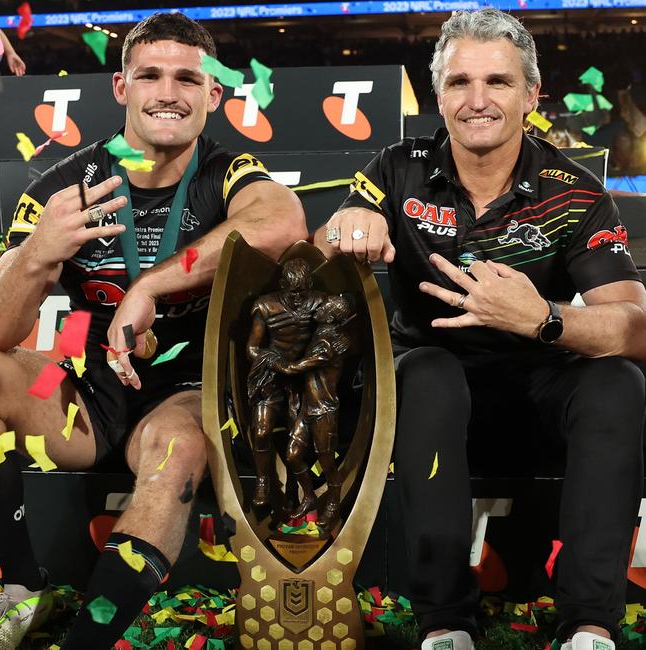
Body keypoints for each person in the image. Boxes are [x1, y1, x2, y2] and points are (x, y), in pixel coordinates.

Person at [314, 9, 646, 650]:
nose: (477, 101)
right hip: (429, 396)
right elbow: (318, 253)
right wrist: (347, 224)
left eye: (497, 82)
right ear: (438, 96)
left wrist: (541, 318)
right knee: (431, 372)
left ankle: (588, 624)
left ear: (531, 95)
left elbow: (634, 327)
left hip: (538, 391)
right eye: (460, 83)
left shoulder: (573, 191)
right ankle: (446, 624)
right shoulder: (395, 166)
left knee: (617, 382)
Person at [0, 11, 306, 650]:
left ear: (213, 95)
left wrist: (151, 284)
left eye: (187, 79)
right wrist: (36, 254)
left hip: (190, 387)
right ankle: (22, 588)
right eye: (150, 76)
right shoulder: (65, 187)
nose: (169, 93)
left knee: (175, 451)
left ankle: (89, 639)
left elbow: (280, 221)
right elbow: (1, 329)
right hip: (84, 393)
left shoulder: (226, 173)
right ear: (120, 88)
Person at [246, 258, 326, 508]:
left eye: (302, 292)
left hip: (304, 378)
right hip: (271, 374)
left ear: (310, 284)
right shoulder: (266, 306)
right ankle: (262, 480)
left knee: (300, 440)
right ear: (282, 285)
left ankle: (297, 489)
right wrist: (276, 363)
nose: (298, 299)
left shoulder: (320, 302)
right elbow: (251, 348)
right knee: (261, 431)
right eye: (292, 293)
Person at [278, 294, 353, 529]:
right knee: (292, 455)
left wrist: (275, 362)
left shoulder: (328, 343)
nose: (320, 307)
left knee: (327, 462)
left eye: (326, 306)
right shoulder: (320, 334)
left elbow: (298, 366)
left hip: (324, 411)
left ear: (331, 316)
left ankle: (332, 502)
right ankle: (309, 496)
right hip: (308, 408)